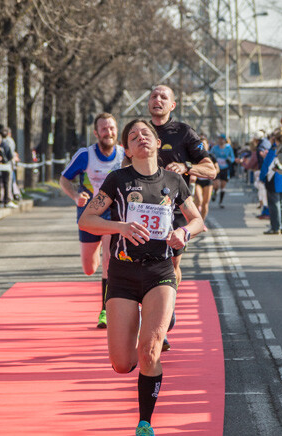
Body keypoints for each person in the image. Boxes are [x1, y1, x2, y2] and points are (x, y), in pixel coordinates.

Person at [78, 119, 204, 436]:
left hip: (160, 271)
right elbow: (87, 219)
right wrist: (120, 227)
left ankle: (144, 422)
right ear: (128, 149)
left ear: (157, 143)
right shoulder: (117, 180)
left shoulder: (174, 181)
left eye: (146, 133)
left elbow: (197, 220)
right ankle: (137, 340)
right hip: (122, 273)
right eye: (133, 136)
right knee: (122, 363)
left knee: (149, 351)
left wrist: (184, 232)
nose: (140, 138)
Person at [147, 85, 217, 344]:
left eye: (163, 97)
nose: (158, 100)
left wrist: (187, 167)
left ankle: (167, 311)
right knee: (144, 265)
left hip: (174, 209)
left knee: (171, 265)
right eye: (154, 96)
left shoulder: (184, 132)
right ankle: (154, 320)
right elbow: (125, 163)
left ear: (172, 105)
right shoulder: (140, 130)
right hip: (143, 208)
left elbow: (211, 170)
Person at [60, 113, 126, 329]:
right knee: (89, 268)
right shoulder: (85, 155)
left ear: (117, 130)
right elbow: (64, 179)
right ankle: (96, 252)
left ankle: (105, 310)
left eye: (112, 128)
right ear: (96, 133)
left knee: (109, 260)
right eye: (104, 129)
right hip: (89, 215)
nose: (109, 132)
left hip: (112, 215)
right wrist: (75, 196)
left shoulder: (124, 155)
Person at [192, 137, 217, 220]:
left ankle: (202, 221)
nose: (203, 146)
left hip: (208, 182)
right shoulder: (195, 156)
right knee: (199, 200)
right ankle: (195, 220)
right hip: (198, 181)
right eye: (201, 144)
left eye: (204, 144)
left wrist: (211, 172)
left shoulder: (211, 156)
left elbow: (217, 169)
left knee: (205, 203)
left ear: (208, 145)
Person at [210, 134, 234, 208]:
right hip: (217, 168)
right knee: (216, 184)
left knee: (223, 185)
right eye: (219, 139)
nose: (220, 140)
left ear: (225, 140)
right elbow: (210, 155)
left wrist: (229, 160)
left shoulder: (228, 148)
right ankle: (214, 192)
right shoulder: (215, 148)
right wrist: (213, 159)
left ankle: (221, 202)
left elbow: (232, 157)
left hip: (225, 168)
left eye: (222, 139)